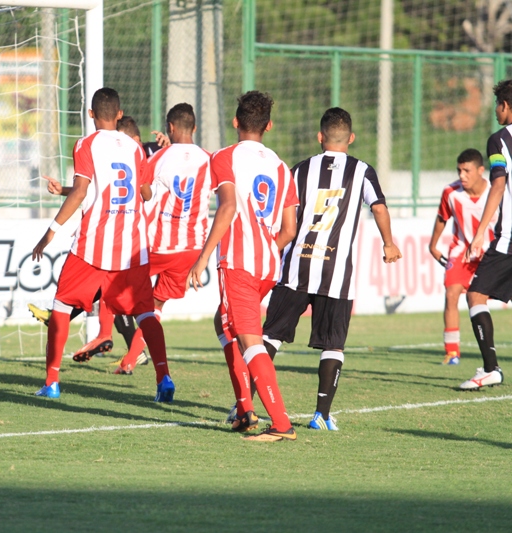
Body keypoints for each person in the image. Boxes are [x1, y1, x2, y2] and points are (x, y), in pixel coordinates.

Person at [260, 107, 402, 431]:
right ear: (351, 138)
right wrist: (389, 243)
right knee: (333, 344)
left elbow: (285, 217)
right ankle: (321, 415)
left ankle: (242, 405)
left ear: (319, 137)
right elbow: (378, 206)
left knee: (270, 336)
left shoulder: (298, 170)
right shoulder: (362, 171)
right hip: (336, 274)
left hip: (296, 267)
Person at [31, 87, 174, 401]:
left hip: (93, 246)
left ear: (91, 114)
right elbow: (147, 193)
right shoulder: (136, 149)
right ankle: (163, 378)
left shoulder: (86, 144)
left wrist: (51, 232)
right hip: (132, 247)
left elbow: (82, 191)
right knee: (146, 313)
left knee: (60, 306)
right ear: (120, 115)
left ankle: (52, 382)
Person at [188, 91, 298, 441]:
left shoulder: (225, 157)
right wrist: (267, 247)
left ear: (235, 122)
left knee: (250, 341)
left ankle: (281, 424)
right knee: (224, 324)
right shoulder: (282, 167)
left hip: (237, 264)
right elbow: (290, 229)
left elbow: (227, 207)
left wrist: (203, 256)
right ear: (269, 126)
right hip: (268, 266)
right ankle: (244, 409)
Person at [112, 103, 212, 375]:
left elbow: (137, 182)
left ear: (170, 127)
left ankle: (100, 333)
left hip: (158, 244)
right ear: (194, 127)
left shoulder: (161, 157)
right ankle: (131, 359)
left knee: (113, 283)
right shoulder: (210, 159)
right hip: (192, 249)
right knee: (156, 305)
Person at [459, 80, 512, 390]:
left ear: (505, 106)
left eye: (498, 105)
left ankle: (491, 369)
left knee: (475, 294)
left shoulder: (499, 141)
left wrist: (480, 234)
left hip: (508, 237)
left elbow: (499, 183)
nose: (495, 111)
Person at [428, 149, 496, 366]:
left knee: (484, 299)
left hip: (492, 254)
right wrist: (433, 244)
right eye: (459, 170)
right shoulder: (451, 192)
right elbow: (442, 217)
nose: (462, 175)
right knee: (451, 294)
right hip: (461, 253)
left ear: (480, 171)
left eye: (467, 171)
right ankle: (452, 352)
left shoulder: (497, 191)